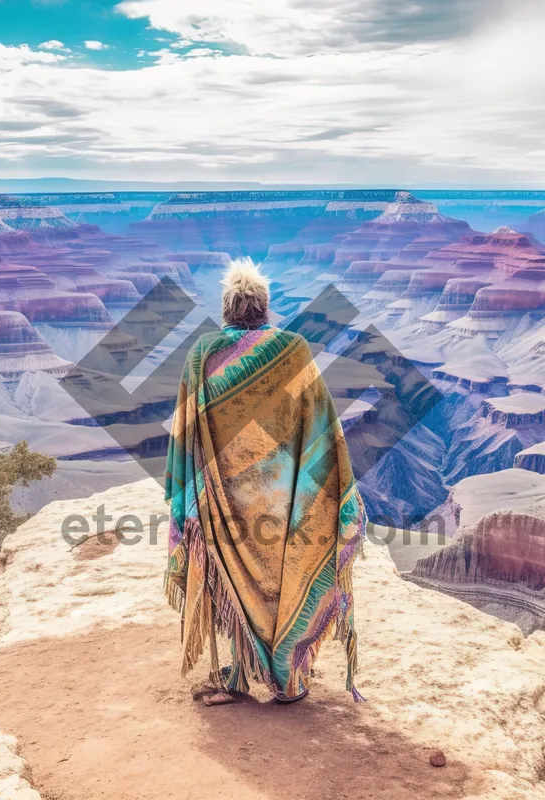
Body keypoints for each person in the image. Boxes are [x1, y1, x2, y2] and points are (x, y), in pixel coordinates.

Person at [163, 261, 365, 705]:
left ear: (227, 309)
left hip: (223, 499)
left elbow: (187, 429)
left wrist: (192, 491)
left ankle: (238, 675)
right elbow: (319, 425)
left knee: (230, 581)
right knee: (283, 579)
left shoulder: (202, 353)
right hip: (281, 494)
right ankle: (289, 680)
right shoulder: (292, 349)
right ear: (265, 308)